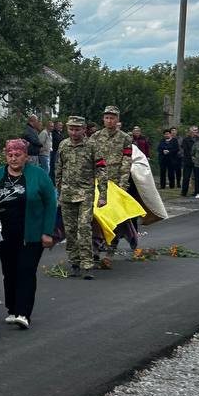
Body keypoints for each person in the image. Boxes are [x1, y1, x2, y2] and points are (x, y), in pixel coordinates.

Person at [0, 140, 57, 329]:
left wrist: (47, 232)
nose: (13, 158)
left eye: (17, 155)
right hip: (5, 234)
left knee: (26, 271)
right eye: (10, 155)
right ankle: (12, 309)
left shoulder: (38, 175)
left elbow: (51, 203)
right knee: (9, 272)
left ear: (26, 157)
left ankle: (23, 313)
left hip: (32, 234)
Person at [90, 105, 135, 265]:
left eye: (113, 118)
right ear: (103, 119)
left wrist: (123, 184)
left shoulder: (125, 138)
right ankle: (94, 248)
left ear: (118, 120)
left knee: (114, 218)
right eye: (107, 117)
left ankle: (110, 250)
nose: (109, 120)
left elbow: (126, 161)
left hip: (116, 183)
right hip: (97, 182)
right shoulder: (95, 137)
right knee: (96, 216)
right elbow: (90, 159)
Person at [54, 116, 96, 278]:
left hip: (85, 193)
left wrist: (103, 194)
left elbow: (101, 169)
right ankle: (75, 262)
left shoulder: (92, 145)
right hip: (67, 194)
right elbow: (58, 170)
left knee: (84, 228)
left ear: (84, 129)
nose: (74, 132)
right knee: (70, 230)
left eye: (77, 129)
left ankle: (87, 265)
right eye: (71, 129)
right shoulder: (63, 145)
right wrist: (58, 193)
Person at [180, 125, 199, 196]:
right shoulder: (186, 140)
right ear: (191, 131)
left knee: (197, 177)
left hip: (198, 161)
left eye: (197, 130)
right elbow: (185, 150)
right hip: (188, 160)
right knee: (186, 177)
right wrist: (192, 156)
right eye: (194, 130)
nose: (196, 132)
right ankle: (184, 192)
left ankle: (197, 192)